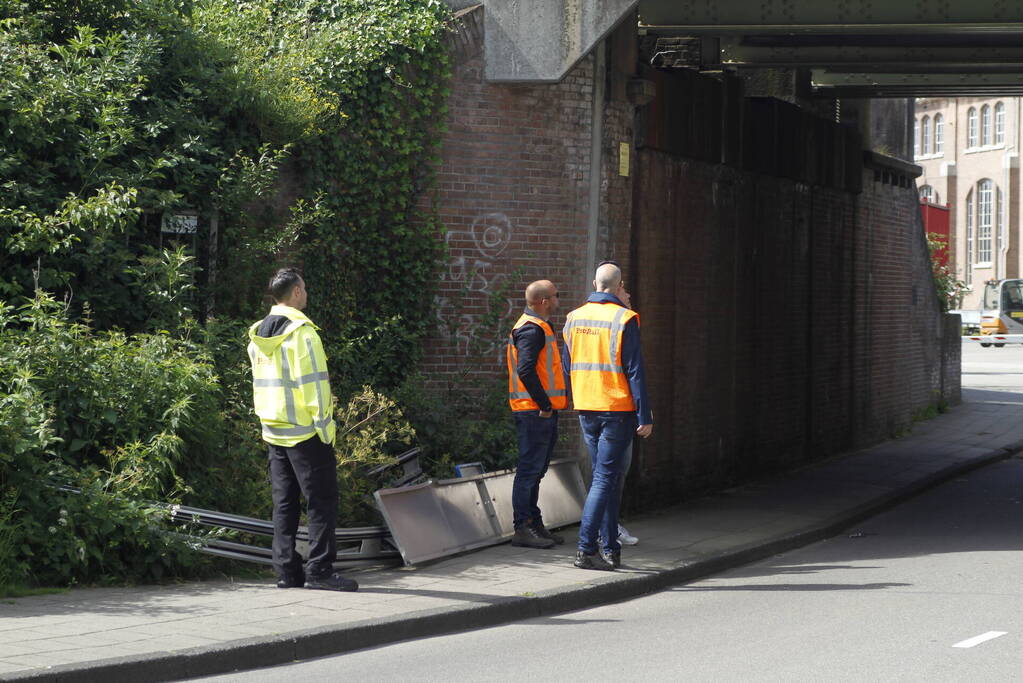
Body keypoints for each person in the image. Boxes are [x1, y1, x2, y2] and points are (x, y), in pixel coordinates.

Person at [247, 267, 358, 592]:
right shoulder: (303, 334)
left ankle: (287, 571)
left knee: (284, 503)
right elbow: (315, 388)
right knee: (321, 501)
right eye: (304, 289)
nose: (306, 294)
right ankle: (320, 571)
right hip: (306, 433)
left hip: (274, 429)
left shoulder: (258, 334)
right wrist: (325, 430)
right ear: (295, 292)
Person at [563, 261, 653, 570]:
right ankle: (586, 549)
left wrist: (575, 396)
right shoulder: (624, 318)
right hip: (616, 408)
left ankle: (610, 547)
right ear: (619, 286)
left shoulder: (573, 318)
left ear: (594, 283)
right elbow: (635, 369)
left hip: (586, 406)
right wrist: (644, 413)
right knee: (604, 479)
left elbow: (568, 365)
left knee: (607, 477)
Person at [506, 280, 568, 549]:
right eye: (556, 295)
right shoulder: (531, 330)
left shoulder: (539, 326)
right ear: (544, 301)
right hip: (534, 411)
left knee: (536, 471)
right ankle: (523, 527)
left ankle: (533, 523)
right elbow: (526, 370)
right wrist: (544, 404)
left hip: (537, 411)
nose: (558, 299)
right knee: (530, 471)